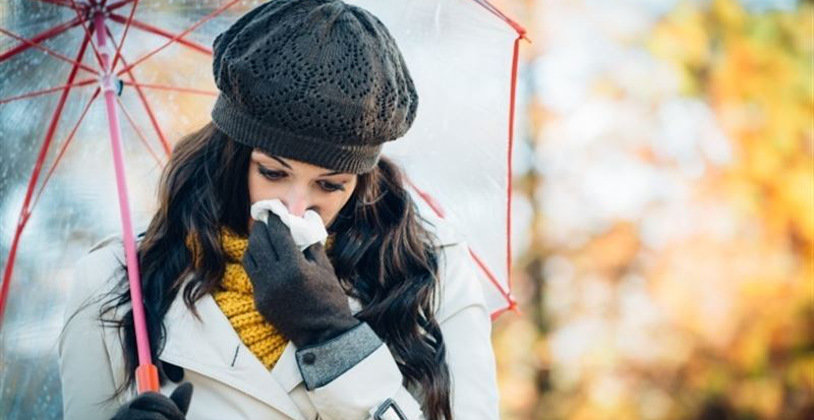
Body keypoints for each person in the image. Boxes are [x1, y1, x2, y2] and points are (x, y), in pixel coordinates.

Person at [58, 0, 499, 419]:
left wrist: (334, 342)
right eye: (272, 172)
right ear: (233, 156)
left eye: (331, 184)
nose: (296, 205)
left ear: (361, 181)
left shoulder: (429, 274)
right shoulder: (118, 285)